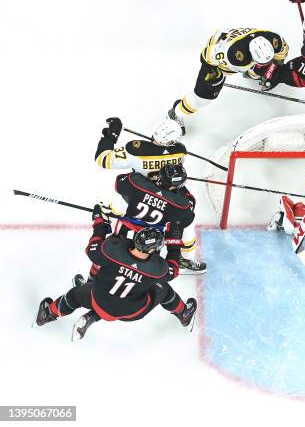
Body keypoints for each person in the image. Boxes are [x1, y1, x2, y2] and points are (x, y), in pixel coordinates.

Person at [35, 205, 197, 340]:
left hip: (98, 299)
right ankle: (184, 314)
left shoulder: (113, 249)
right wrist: (174, 242)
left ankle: (47, 314)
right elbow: (173, 269)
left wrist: (99, 223)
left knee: (75, 295)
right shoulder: (156, 269)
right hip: (131, 312)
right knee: (164, 289)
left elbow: (92, 248)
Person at [93, 117, 200, 270]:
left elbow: (102, 159)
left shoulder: (135, 149)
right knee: (188, 219)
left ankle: (107, 219)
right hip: (168, 199)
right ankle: (186, 258)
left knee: (117, 205)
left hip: (137, 194)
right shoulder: (180, 151)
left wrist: (111, 135)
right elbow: (177, 173)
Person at [168, 28, 289, 128]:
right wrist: (213, 73)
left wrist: (275, 67)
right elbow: (206, 55)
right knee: (202, 99)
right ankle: (175, 113)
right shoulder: (233, 55)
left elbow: (282, 52)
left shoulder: (274, 40)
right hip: (218, 50)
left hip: (233, 40)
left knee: (261, 69)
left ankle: (252, 74)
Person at [113, 163, 206, 274]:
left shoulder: (137, 182)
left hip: (128, 226)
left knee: (111, 253)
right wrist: (179, 188)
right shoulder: (180, 204)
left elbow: (119, 183)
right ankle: (183, 259)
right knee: (185, 226)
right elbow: (188, 213)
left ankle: (99, 271)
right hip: (153, 236)